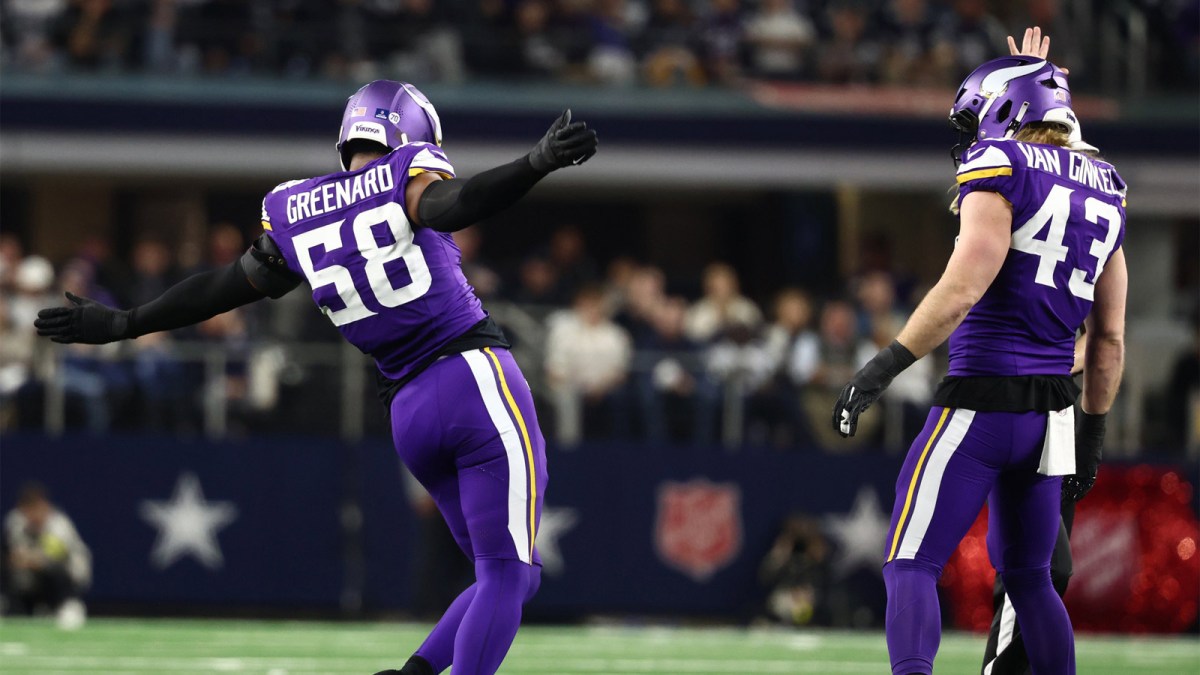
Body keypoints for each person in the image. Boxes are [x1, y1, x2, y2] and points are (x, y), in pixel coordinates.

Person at [34, 80, 598, 675]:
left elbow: (226, 286)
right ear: (409, 132)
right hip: (472, 379)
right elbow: (451, 205)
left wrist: (127, 321)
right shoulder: (406, 171)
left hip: (408, 410)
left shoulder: (295, 208)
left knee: (503, 577)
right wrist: (537, 163)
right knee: (509, 573)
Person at [832, 45, 1127, 675]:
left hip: (980, 403)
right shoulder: (1105, 187)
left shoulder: (1002, 162)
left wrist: (878, 370)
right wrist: (1094, 434)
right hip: (1053, 415)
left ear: (1004, 109)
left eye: (974, 119)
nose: (971, 137)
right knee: (1032, 581)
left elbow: (962, 290)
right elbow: (1109, 340)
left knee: (911, 562)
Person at [3, 482, 91, 629]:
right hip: (28, 577)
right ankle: (10, 607)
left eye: (36, 508)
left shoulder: (59, 525)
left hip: (69, 576)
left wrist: (28, 559)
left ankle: (68, 605)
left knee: (54, 570)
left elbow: (53, 559)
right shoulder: (15, 522)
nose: (33, 515)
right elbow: (11, 555)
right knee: (7, 571)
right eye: (28, 510)